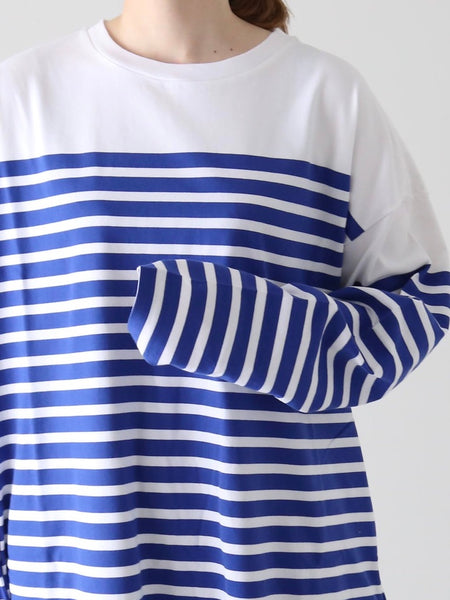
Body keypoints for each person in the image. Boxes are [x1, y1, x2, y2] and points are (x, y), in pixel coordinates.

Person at [0, 1, 448, 599]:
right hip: (81, 564)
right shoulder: (21, 96)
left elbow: (423, 297)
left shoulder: (322, 93)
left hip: (280, 561)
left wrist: (219, 319)